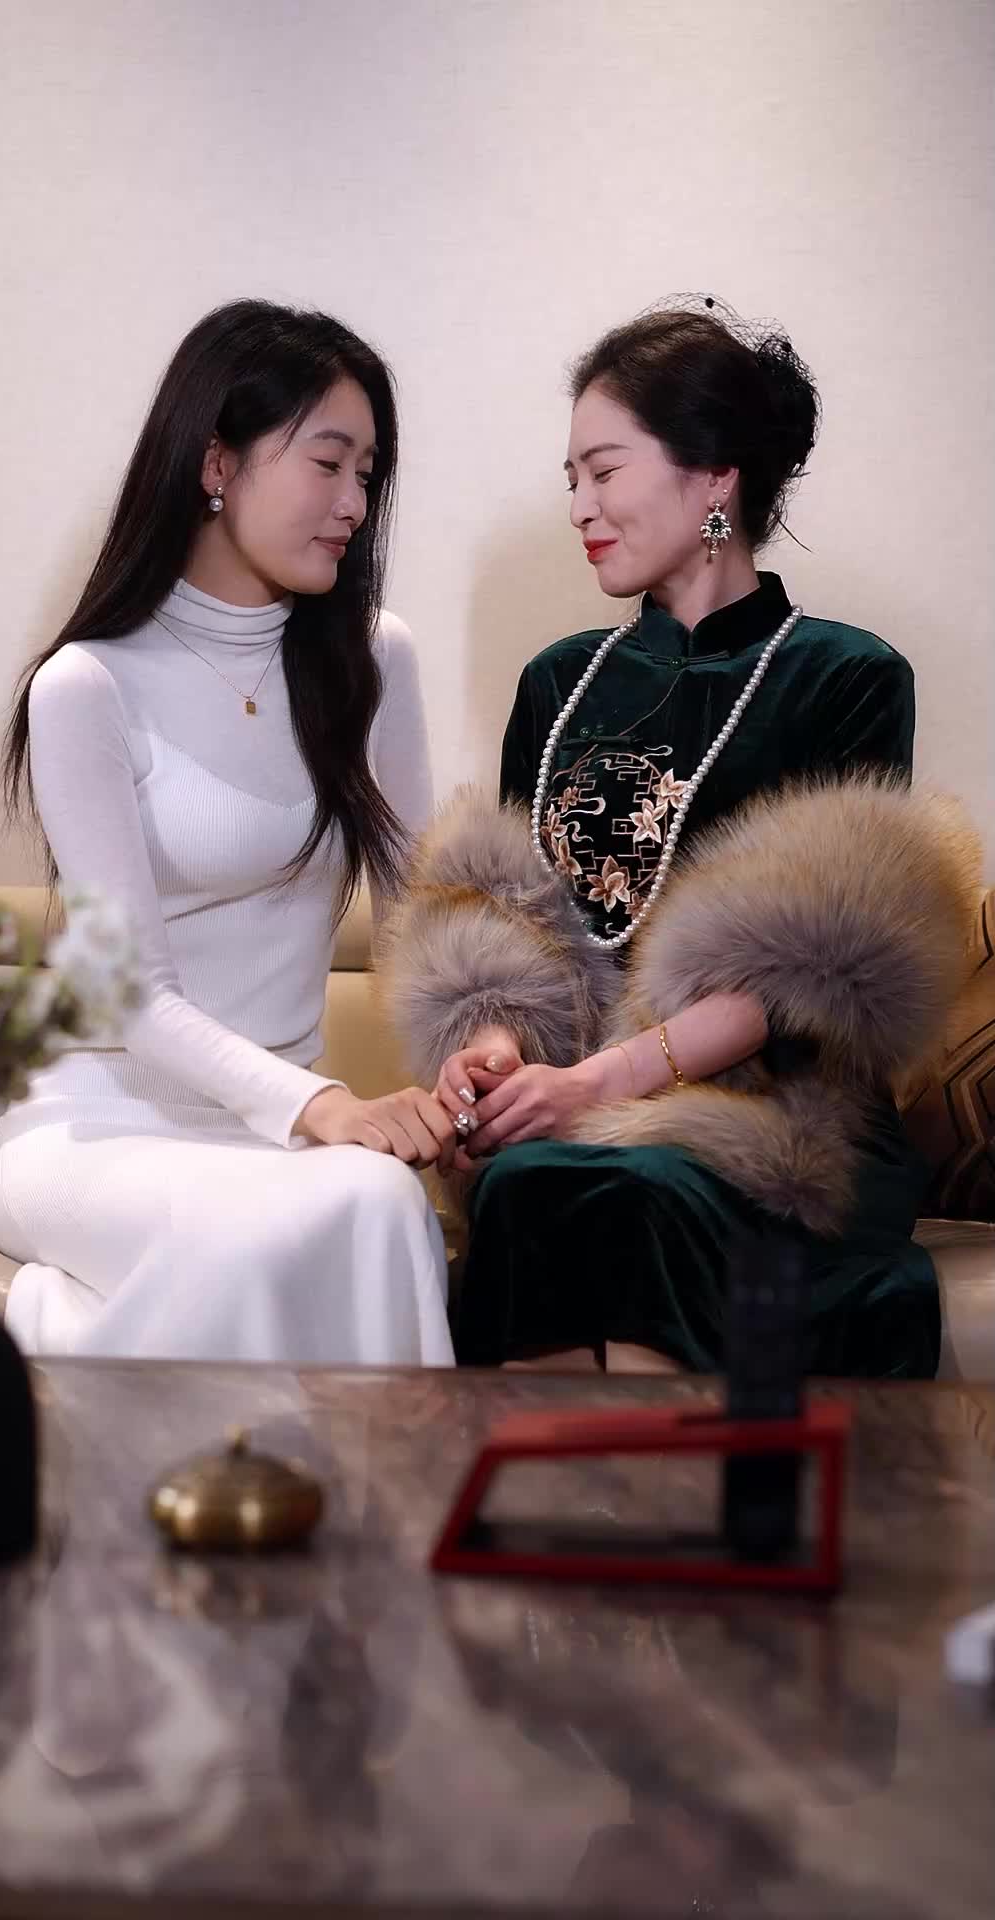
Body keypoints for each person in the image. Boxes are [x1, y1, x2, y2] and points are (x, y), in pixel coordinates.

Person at [380, 300, 977, 1377]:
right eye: (571, 478)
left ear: (713, 479)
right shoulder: (561, 683)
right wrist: (501, 1052)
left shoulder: (845, 678)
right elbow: (515, 930)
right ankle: (560, 1476)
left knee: (612, 1183)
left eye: (604, 471)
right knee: (533, 1177)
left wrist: (599, 1087)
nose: (579, 506)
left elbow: (808, 973)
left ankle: (630, 1473)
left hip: (782, 1119)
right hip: (584, 1109)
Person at [0, 300, 455, 1365]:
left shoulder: (375, 657)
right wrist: (320, 1104)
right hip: (96, 1125)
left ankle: (368, 1508)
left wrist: (476, 1045)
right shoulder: (87, 686)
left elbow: (421, 915)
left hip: (272, 1135)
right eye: (327, 463)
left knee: (383, 1205)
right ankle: (73, 1366)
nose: (354, 503)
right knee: (261, 1238)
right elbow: (130, 997)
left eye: (368, 473)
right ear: (216, 464)